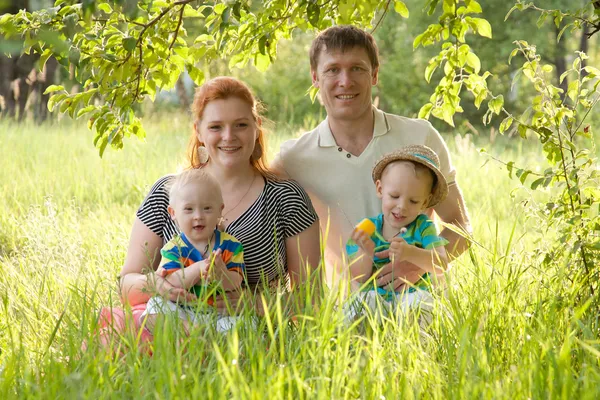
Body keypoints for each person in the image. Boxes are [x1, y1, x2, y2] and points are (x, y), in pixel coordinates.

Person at [99, 77, 321, 347]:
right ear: (199, 132)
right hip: (171, 327)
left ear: (256, 128)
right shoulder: (167, 192)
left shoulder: (286, 197)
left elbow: (312, 298)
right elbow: (127, 285)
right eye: (216, 127)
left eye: (241, 125)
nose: (229, 136)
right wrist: (159, 285)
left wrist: (251, 304)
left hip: (244, 335)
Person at [274, 25, 470, 293]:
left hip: (420, 306)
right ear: (315, 78)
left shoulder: (420, 136)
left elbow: (460, 226)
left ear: (375, 74)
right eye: (332, 69)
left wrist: (416, 265)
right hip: (345, 315)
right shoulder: (292, 159)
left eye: (357, 68)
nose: (345, 81)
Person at [344, 145, 449, 321]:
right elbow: (358, 277)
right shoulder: (368, 228)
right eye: (394, 196)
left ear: (426, 202)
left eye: (413, 201)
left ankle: (414, 343)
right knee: (360, 303)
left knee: (423, 305)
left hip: (412, 294)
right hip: (377, 296)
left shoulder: (424, 228)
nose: (402, 206)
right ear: (380, 189)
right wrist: (365, 253)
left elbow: (441, 264)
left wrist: (411, 253)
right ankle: (359, 344)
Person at [141, 169, 245, 333]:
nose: (198, 216)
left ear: (220, 210)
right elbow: (172, 282)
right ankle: (193, 332)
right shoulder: (173, 247)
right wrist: (198, 269)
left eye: (207, 208)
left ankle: (211, 339)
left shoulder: (231, 245)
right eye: (189, 209)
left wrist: (221, 275)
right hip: (183, 311)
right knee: (155, 305)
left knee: (247, 322)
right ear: (173, 213)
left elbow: (237, 282)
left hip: (220, 313)